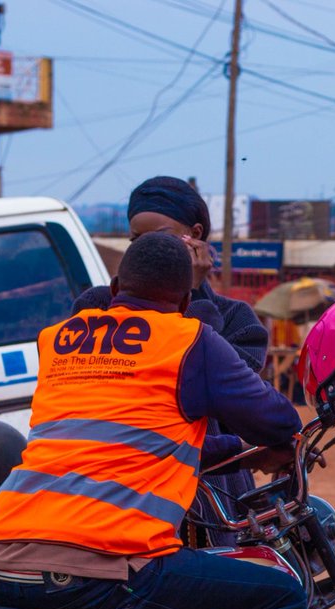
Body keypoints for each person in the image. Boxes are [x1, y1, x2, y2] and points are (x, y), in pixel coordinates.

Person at [0, 232, 306, 609]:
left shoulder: (57, 340)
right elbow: (276, 419)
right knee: (282, 593)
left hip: (1, 562)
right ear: (187, 303)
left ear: (114, 289)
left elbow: (126, 443)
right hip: (99, 573)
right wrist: (276, 446)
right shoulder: (188, 340)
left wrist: (240, 455)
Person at [126, 176, 269, 529]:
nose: (147, 251)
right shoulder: (103, 313)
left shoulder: (238, 320)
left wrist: (187, 291)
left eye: (159, 237)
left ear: (197, 235)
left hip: (216, 494)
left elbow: (225, 392)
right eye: (136, 241)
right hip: (135, 492)